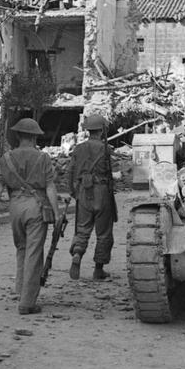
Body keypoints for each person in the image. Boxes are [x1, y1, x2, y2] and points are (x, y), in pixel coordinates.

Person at [0, 118, 59, 315]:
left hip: (15, 208)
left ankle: (21, 289)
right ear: (35, 136)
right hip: (35, 207)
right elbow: (50, 187)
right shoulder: (43, 158)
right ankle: (27, 303)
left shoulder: (6, 158)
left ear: (18, 136)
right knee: (34, 253)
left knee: (21, 248)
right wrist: (57, 212)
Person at [68, 113, 117, 280]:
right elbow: (110, 174)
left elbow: (71, 172)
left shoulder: (78, 148)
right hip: (102, 192)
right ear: (102, 130)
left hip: (83, 192)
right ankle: (98, 269)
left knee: (82, 230)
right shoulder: (106, 149)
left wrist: (74, 192)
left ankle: (77, 254)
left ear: (88, 130)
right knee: (103, 233)